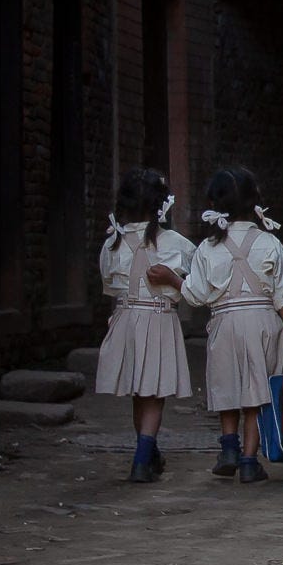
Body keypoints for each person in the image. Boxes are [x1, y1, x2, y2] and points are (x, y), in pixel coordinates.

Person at [182, 167, 283, 483]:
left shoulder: (207, 248)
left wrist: (173, 280)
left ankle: (229, 447)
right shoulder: (270, 243)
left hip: (224, 323)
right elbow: (282, 292)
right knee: (256, 392)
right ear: (254, 201)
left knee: (227, 386)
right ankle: (249, 461)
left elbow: (196, 295)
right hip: (264, 323)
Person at [93, 168, 198, 483]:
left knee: (140, 390)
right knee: (154, 391)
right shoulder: (177, 244)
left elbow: (109, 286)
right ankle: (142, 459)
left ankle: (148, 454)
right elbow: (194, 290)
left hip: (126, 317)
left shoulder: (113, 243)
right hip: (159, 317)